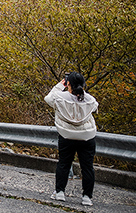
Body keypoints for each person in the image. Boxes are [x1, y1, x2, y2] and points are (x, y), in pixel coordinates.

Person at [45, 72, 99, 206]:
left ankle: (60, 193)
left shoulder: (59, 97)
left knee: (64, 163)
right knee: (87, 167)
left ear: (68, 83)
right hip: (87, 136)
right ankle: (87, 197)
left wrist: (60, 85)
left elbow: (48, 98)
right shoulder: (90, 99)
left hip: (67, 135)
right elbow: (95, 108)